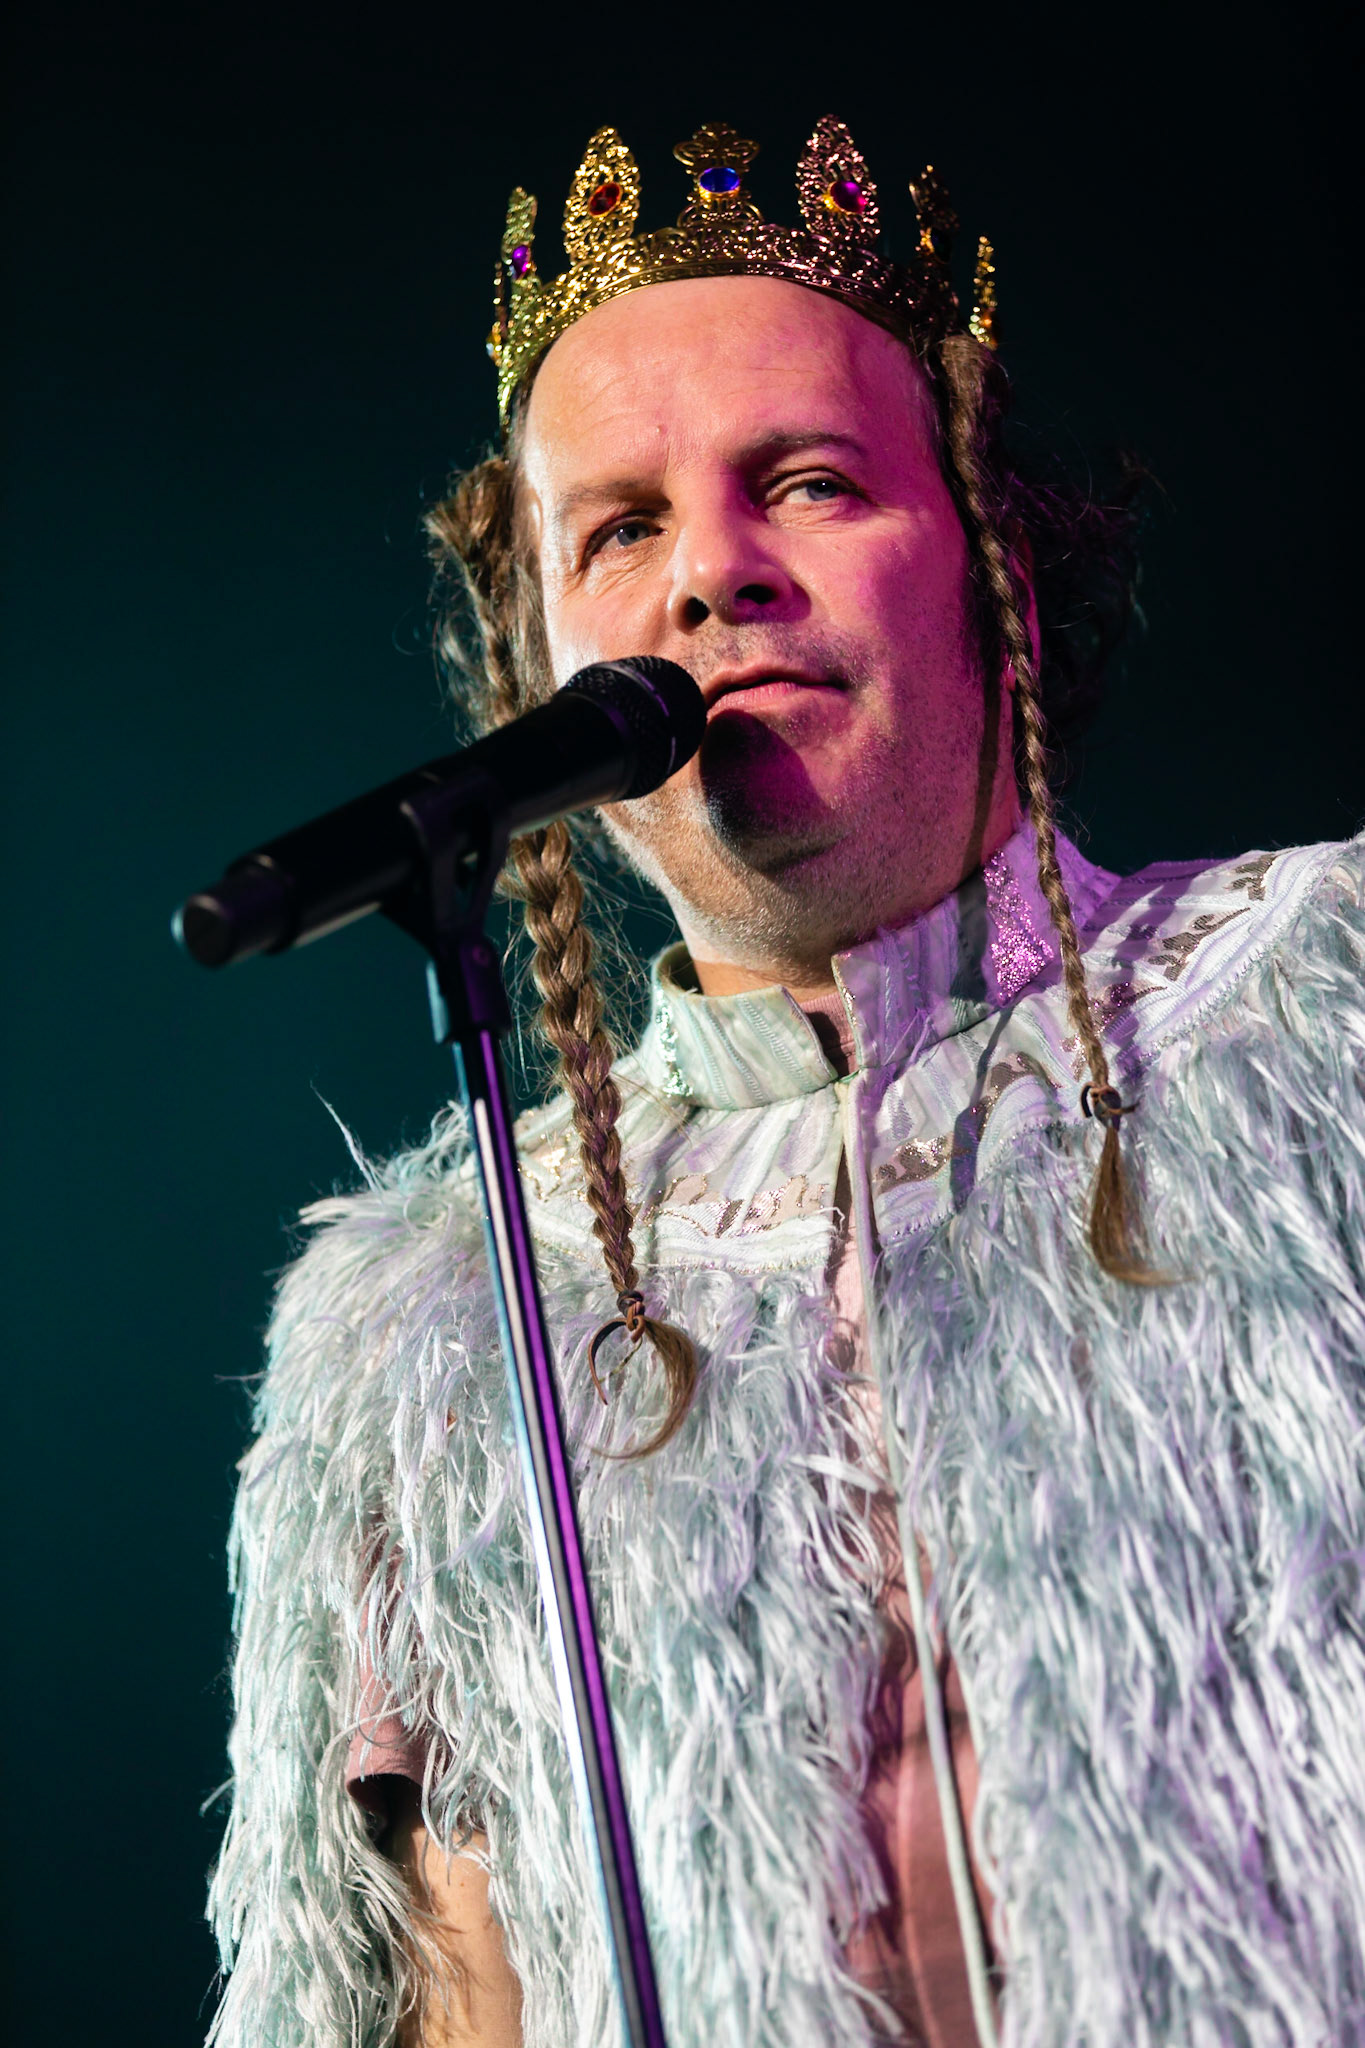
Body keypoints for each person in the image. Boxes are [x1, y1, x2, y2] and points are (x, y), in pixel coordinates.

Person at [207, 119, 1365, 2048]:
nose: (713, 575)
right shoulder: (426, 1316)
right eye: (622, 526)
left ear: (988, 557)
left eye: (805, 483)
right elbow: (453, 1997)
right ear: (535, 648)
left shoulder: (1325, 1020)